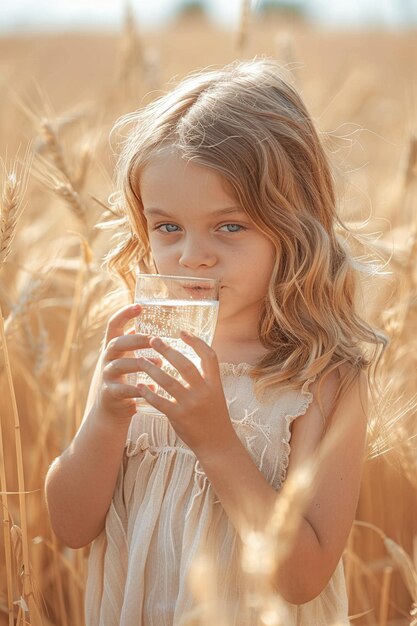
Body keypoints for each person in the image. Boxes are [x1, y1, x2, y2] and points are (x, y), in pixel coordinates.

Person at [45, 57, 388, 626]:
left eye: (230, 226)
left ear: (294, 223)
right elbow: (71, 527)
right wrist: (104, 418)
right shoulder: (143, 347)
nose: (192, 255)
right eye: (167, 227)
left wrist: (216, 441)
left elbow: (302, 578)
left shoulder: (320, 376)